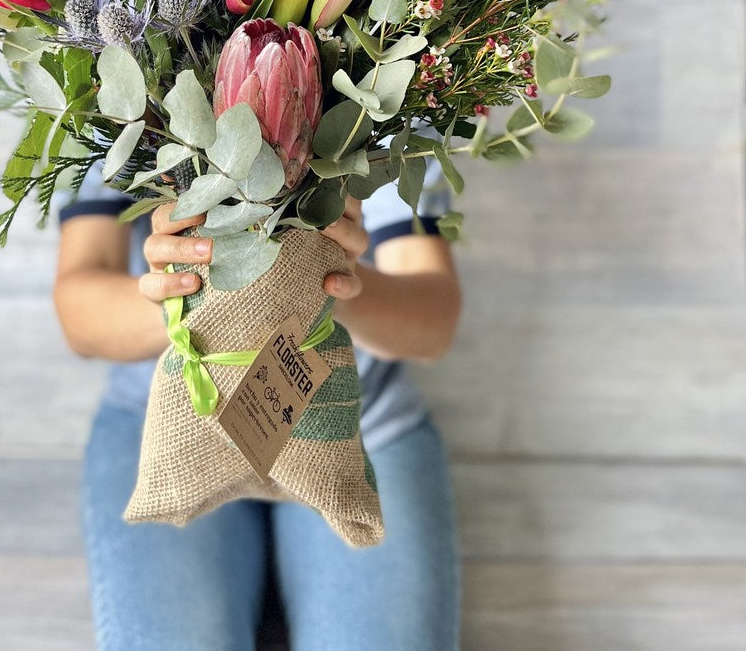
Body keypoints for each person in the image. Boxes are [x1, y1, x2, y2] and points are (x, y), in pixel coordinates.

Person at [53, 159, 463, 651]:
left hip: (358, 425)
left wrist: (328, 284)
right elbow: (79, 311)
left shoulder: (395, 93)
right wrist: (182, 298)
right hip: (166, 427)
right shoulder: (107, 95)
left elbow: (433, 326)